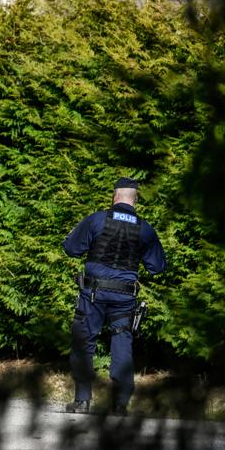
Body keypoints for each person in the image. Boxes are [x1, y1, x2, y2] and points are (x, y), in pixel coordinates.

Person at [62, 176, 166, 414]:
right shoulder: (145, 228)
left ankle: (82, 400)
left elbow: (71, 249)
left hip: (93, 294)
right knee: (122, 344)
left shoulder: (97, 219)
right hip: (124, 298)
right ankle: (120, 404)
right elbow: (157, 267)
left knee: (84, 342)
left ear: (115, 196)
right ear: (135, 200)